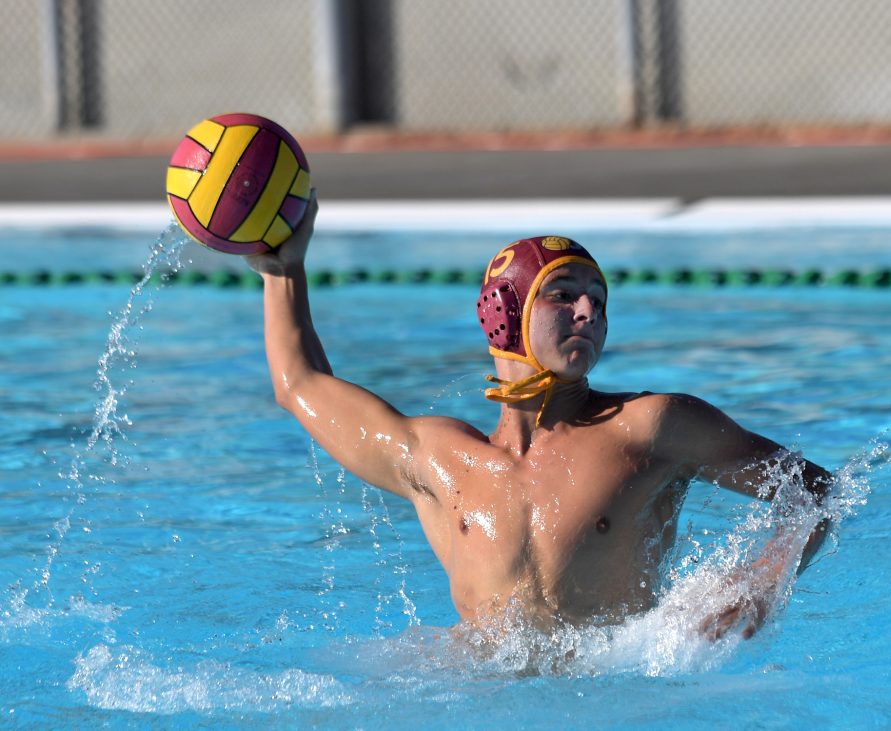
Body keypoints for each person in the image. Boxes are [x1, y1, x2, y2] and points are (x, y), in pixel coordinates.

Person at [246, 193, 832, 639]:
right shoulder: (439, 459)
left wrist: (757, 584)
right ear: (502, 312)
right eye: (563, 293)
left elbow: (815, 491)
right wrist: (284, 271)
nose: (588, 311)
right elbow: (300, 385)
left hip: (617, 698)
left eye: (599, 300)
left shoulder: (651, 427)